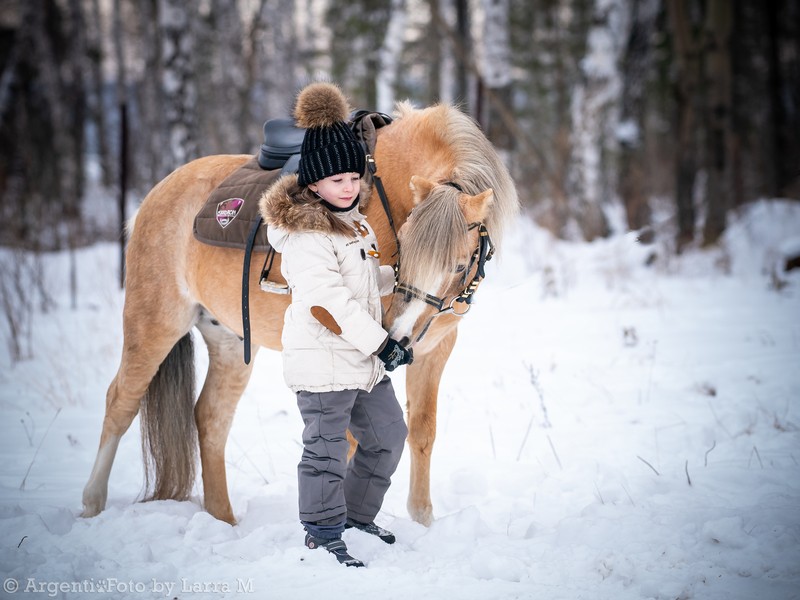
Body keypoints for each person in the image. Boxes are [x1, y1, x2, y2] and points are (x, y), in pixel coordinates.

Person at [260, 82, 413, 568]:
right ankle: (322, 533)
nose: (348, 188)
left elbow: (364, 278)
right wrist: (383, 345)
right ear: (312, 185)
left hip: (359, 361)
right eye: (335, 180)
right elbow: (328, 303)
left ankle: (356, 515)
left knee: (388, 435)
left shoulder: (357, 223)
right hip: (325, 364)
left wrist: (404, 277)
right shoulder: (306, 234)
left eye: (353, 177)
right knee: (325, 454)